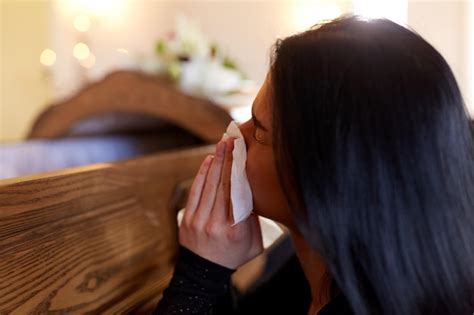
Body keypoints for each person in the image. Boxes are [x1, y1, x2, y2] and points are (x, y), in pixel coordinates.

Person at [154, 15, 474, 315]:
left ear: (325, 171)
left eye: (260, 129)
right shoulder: (314, 269)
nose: (235, 139)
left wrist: (199, 275)